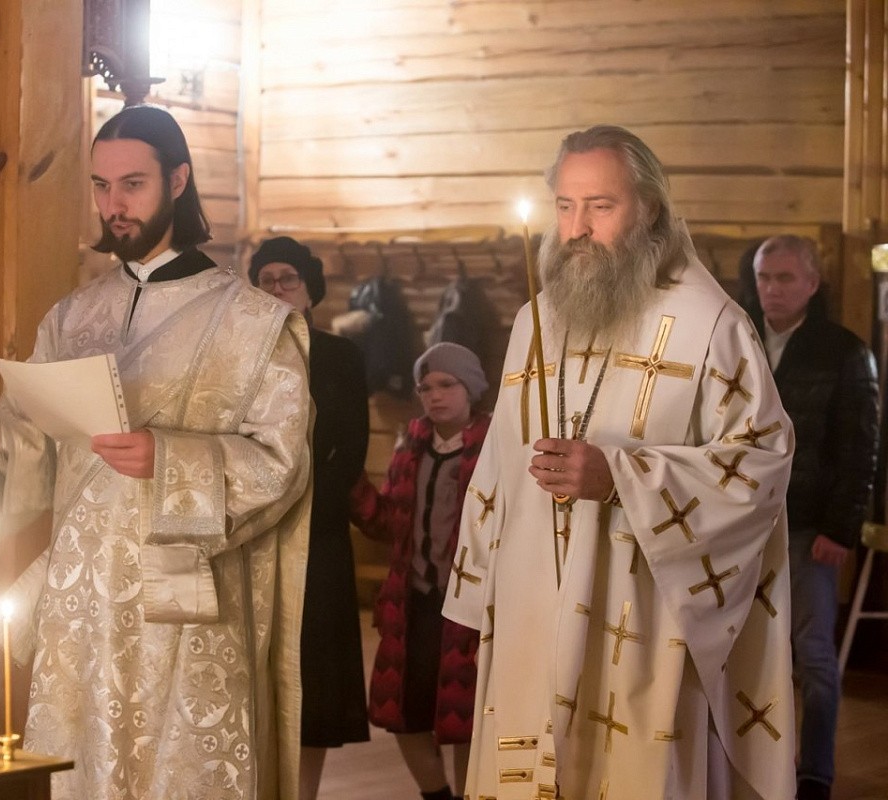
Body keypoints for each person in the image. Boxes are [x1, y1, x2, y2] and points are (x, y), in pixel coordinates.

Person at [0, 105, 312, 800]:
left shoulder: (253, 322)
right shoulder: (71, 317)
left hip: (185, 605)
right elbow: (39, 443)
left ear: (178, 180)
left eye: (132, 184)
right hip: (82, 608)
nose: (114, 205)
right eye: (101, 186)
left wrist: (169, 459)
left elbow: (282, 464)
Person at [443, 125, 797, 798]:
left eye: (600, 206)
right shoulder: (535, 322)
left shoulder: (710, 324)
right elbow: (499, 464)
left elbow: (761, 462)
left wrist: (621, 478)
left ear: (649, 209)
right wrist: (479, 581)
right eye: (565, 205)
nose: (577, 228)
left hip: (642, 620)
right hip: (532, 604)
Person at [752, 235, 879, 800]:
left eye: (784, 278)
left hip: (809, 524)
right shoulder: (739, 339)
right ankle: (758, 767)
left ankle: (816, 775)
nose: (772, 289)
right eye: (764, 277)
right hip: (746, 523)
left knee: (815, 656)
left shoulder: (844, 351)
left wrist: (840, 528)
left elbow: (861, 447)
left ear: (811, 283)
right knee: (747, 649)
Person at [248, 235, 372, 800]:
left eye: (288, 279)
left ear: (309, 288)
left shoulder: (341, 356)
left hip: (318, 535)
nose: (277, 288)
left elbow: (351, 448)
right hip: (253, 531)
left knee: (314, 676)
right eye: (266, 279)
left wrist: (304, 502)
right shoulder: (240, 355)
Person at [349, 342, 488, 800]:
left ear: (471, 387)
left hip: (470, 608)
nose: (435, 395)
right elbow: (389, 523)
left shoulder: (493, 447)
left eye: (447, 384)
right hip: (413, 604)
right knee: (405, 714)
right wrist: (352, 486)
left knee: (467, 719)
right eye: (425, 387)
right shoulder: (411, 445)